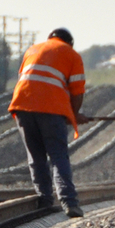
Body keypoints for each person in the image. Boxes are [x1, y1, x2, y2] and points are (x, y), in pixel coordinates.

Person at [8, 27, 89, 218]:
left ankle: (44, 200)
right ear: (69, 42)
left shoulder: (33, 49)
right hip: (51, 110)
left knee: (36, 156)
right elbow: (77, 92)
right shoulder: (72, 55)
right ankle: (69, 203)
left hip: (22, 106)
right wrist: (74, 114)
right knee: (58, 156)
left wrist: (69, 114)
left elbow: (28, 81)